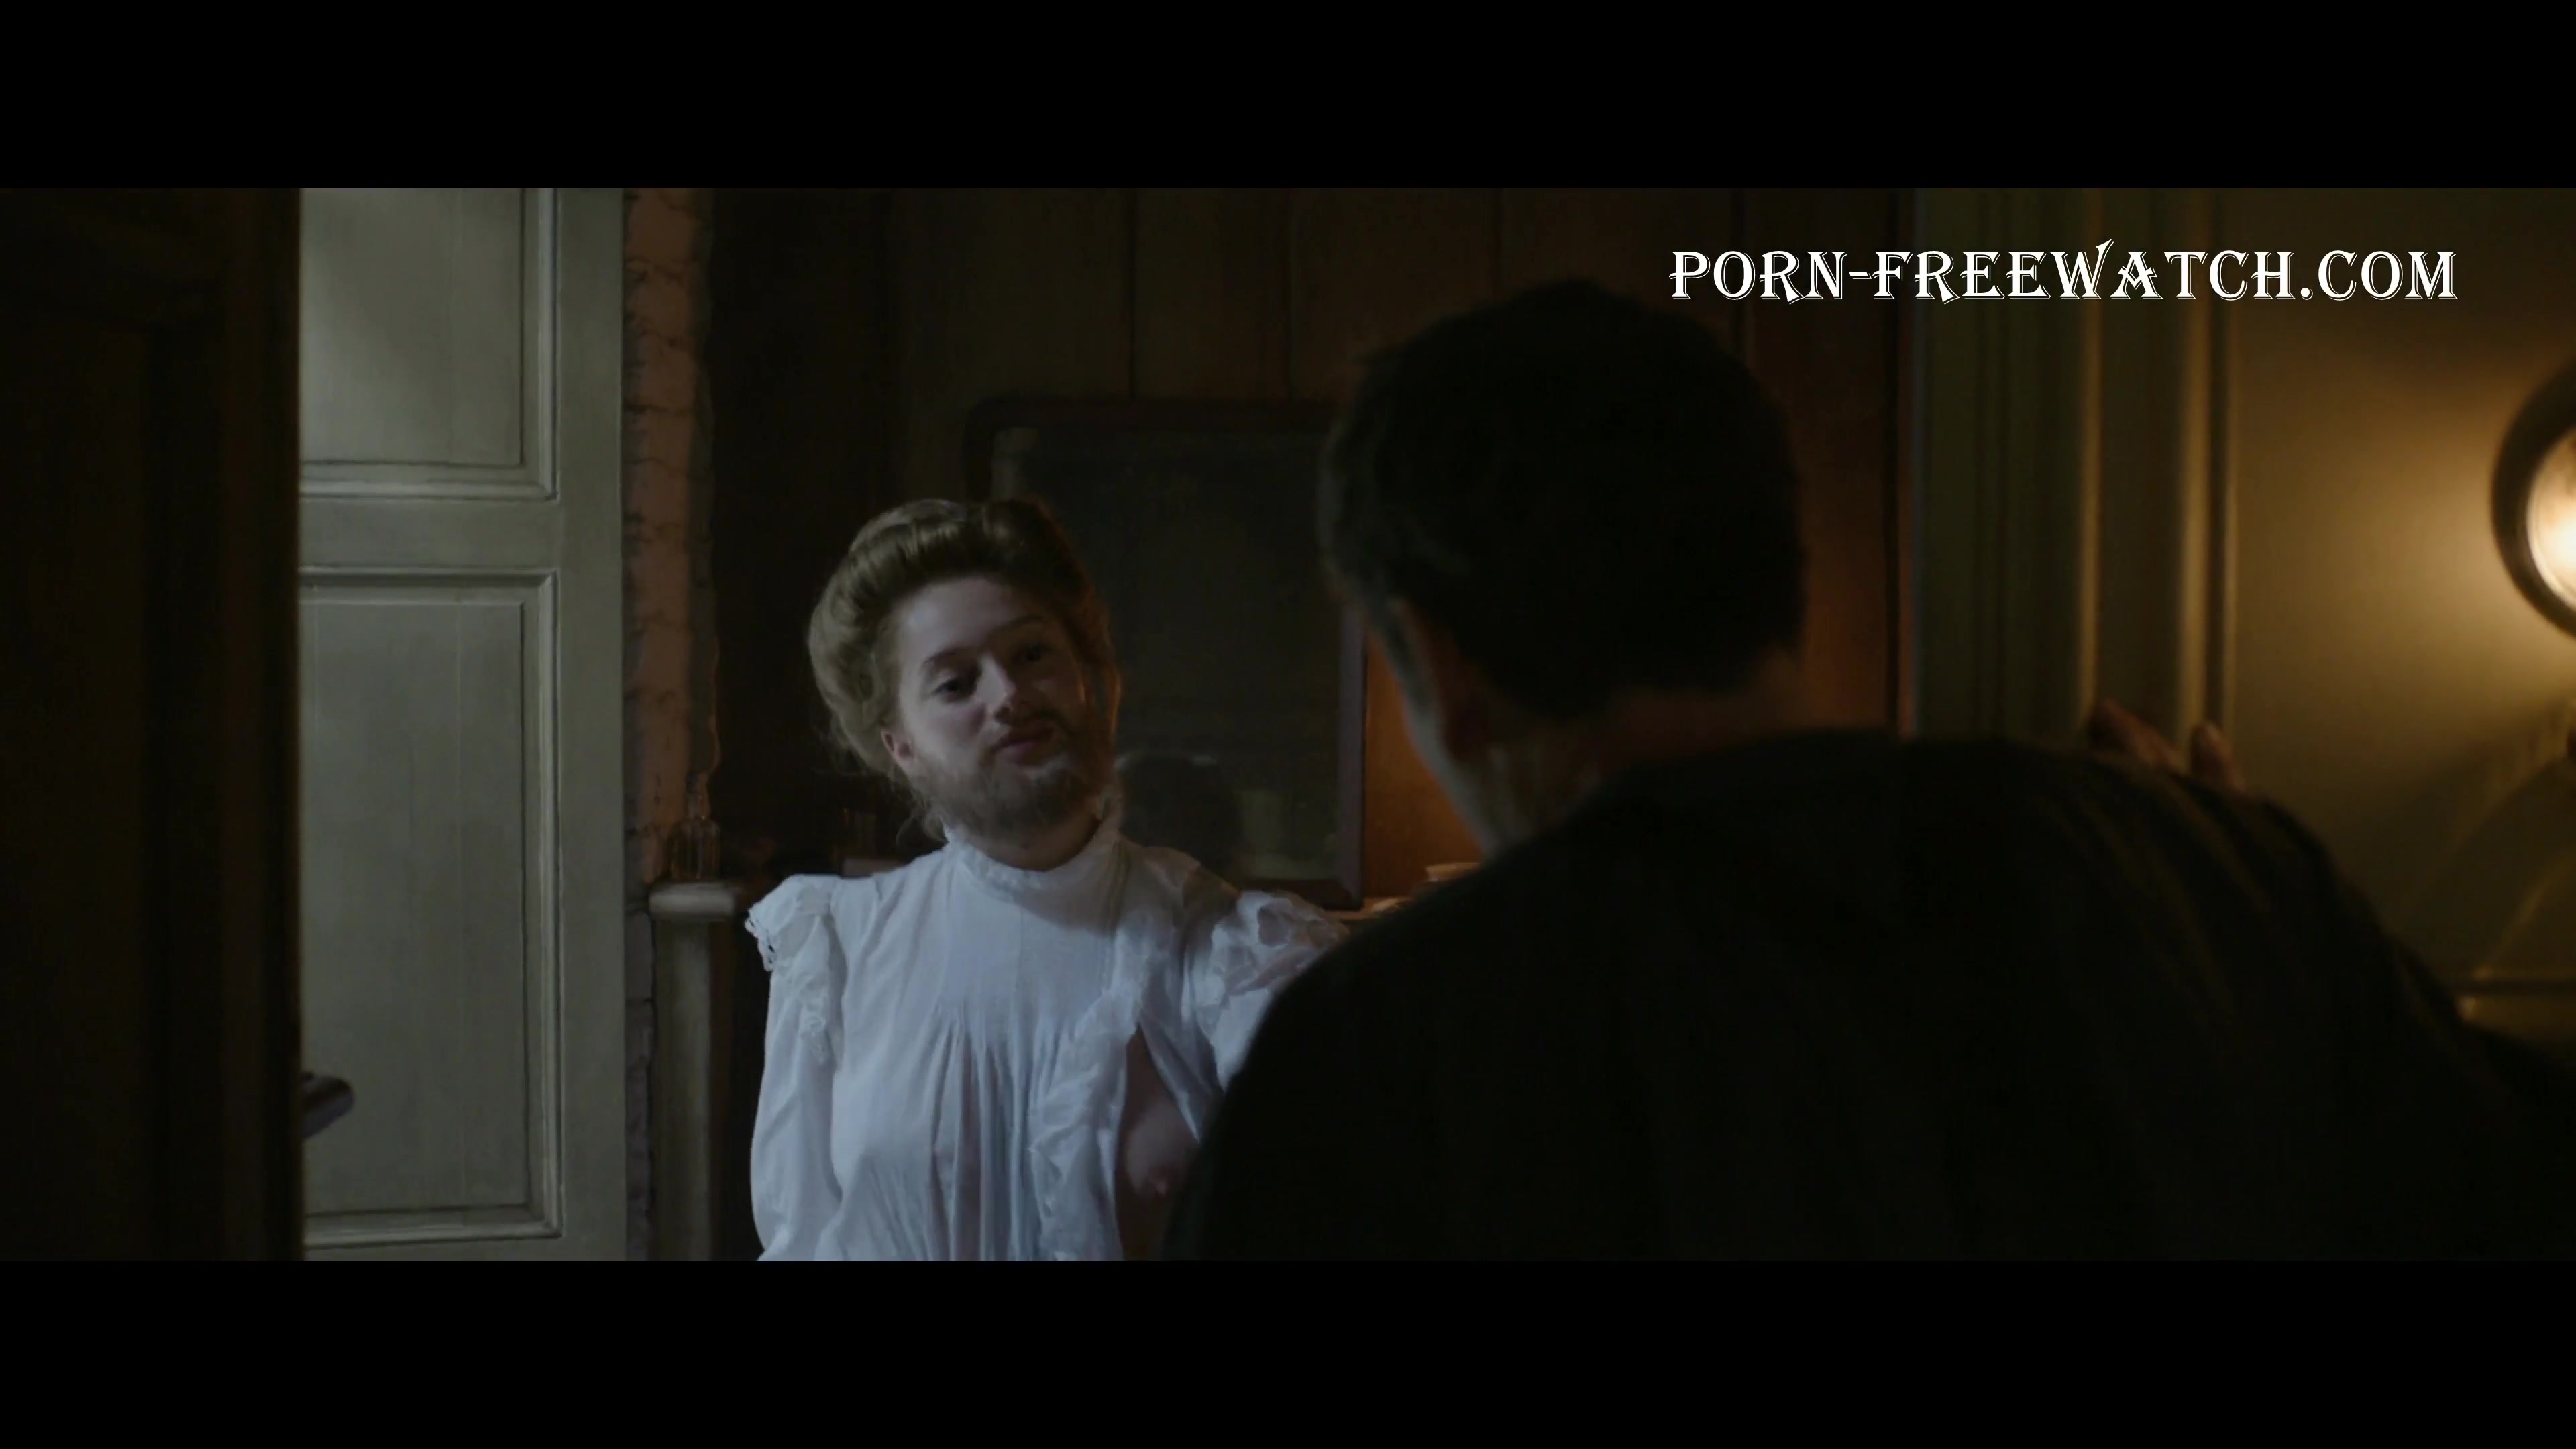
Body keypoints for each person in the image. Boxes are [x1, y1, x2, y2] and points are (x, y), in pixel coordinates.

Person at [1159, 279, 2576, 1260]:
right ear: (1775, 555)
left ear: (1443, 663)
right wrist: (2215, 894)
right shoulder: (2204, 873)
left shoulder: (1380, 1052)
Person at [747, 496, 1345, 1260]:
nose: (1009, 696)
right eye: (956, 683)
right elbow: (801, 1242)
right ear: (901, 747)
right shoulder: (839, 948)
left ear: (1088, 678)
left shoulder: (1227, 954)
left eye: (1032, 655)